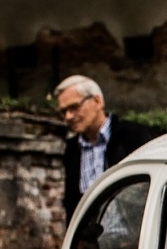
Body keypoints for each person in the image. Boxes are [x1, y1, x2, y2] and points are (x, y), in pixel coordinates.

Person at [56, 75, 155, 220]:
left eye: (74, 107)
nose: (68, 117)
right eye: (63, 111)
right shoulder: (72, 149)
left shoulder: (132, 137)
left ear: (97, 101)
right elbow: (72, 204)